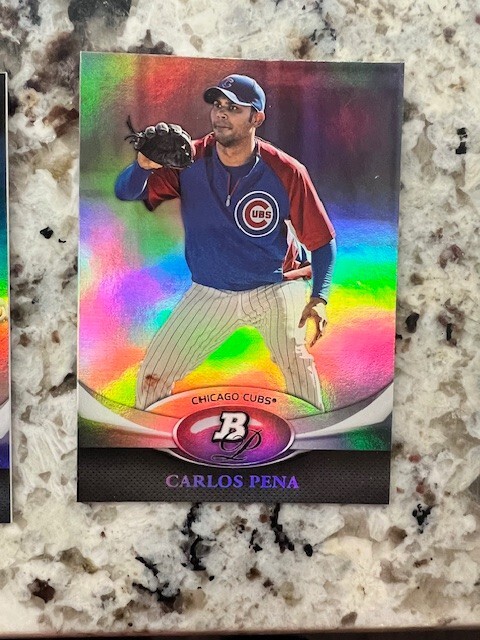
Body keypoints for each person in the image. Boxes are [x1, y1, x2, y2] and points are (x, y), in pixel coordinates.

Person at [115, 74, 336, 411]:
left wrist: (319, 297)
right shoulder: (189, 160)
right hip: (211, 290)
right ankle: (150, 440)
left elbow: (322, 241)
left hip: (275, 287)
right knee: (153, 375)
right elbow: (126, 191)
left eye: (233, 108)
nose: (221, 113)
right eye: (218, 105)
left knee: (295, 362)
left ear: (256, 118)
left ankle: (316, 436)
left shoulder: (286, 170)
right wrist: (143, 166)